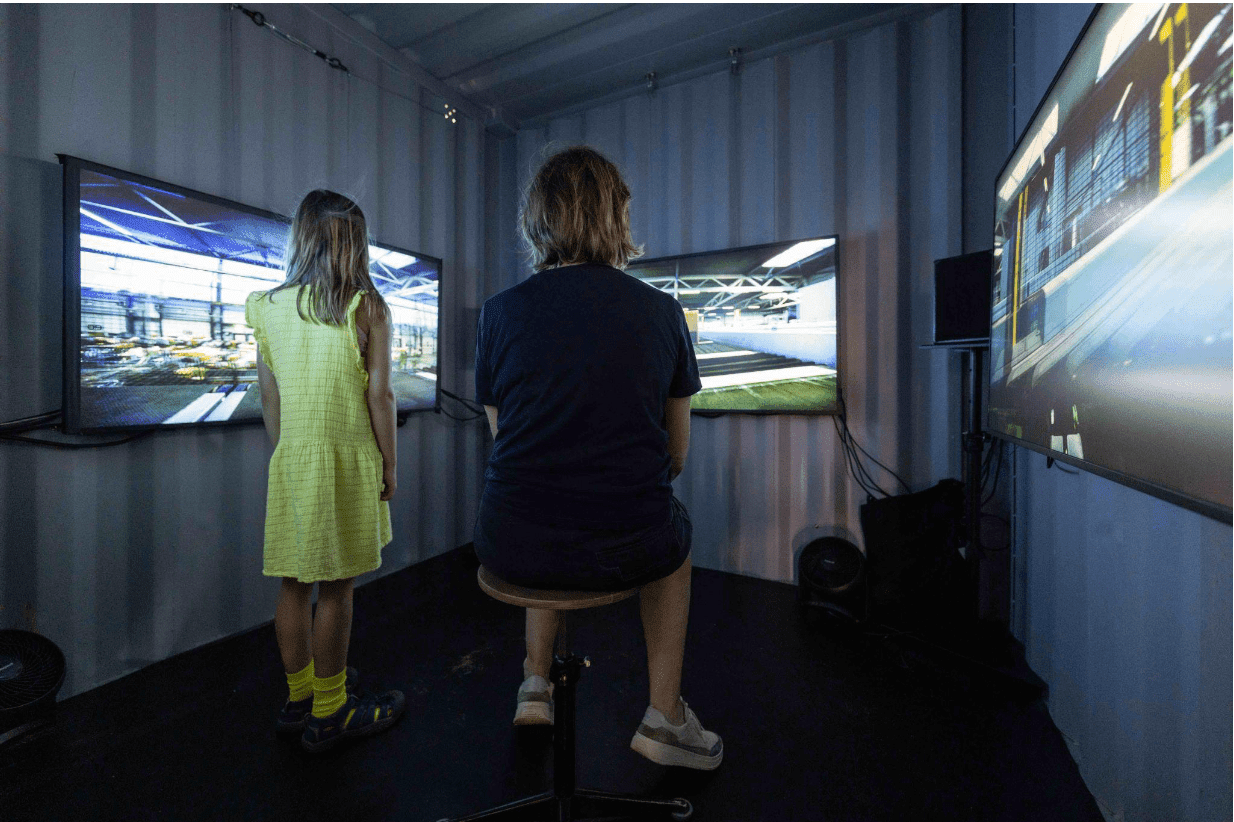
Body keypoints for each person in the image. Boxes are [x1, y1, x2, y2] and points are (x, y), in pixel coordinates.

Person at [473, 146, 722, 770]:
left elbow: (508, 444)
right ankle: (664, 718)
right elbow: (676, 457)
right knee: (676, 542)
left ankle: (534, 684)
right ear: (617, 217)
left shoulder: (500, 313)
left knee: (539, 498)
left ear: (538, 219)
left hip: (507, 543)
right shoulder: (663, 313)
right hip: (626, 543)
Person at [246, 190, 405, 753]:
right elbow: (380, 395)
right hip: (347, 460)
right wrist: (389, 462)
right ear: (355, 243)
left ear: (302, 236)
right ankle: (332, 710)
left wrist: (289, 455)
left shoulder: (264, 306)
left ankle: (300, 696)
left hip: (292, 458)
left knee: (294, 582)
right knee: (337, 587)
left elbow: (270, 400)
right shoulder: (368, 306)